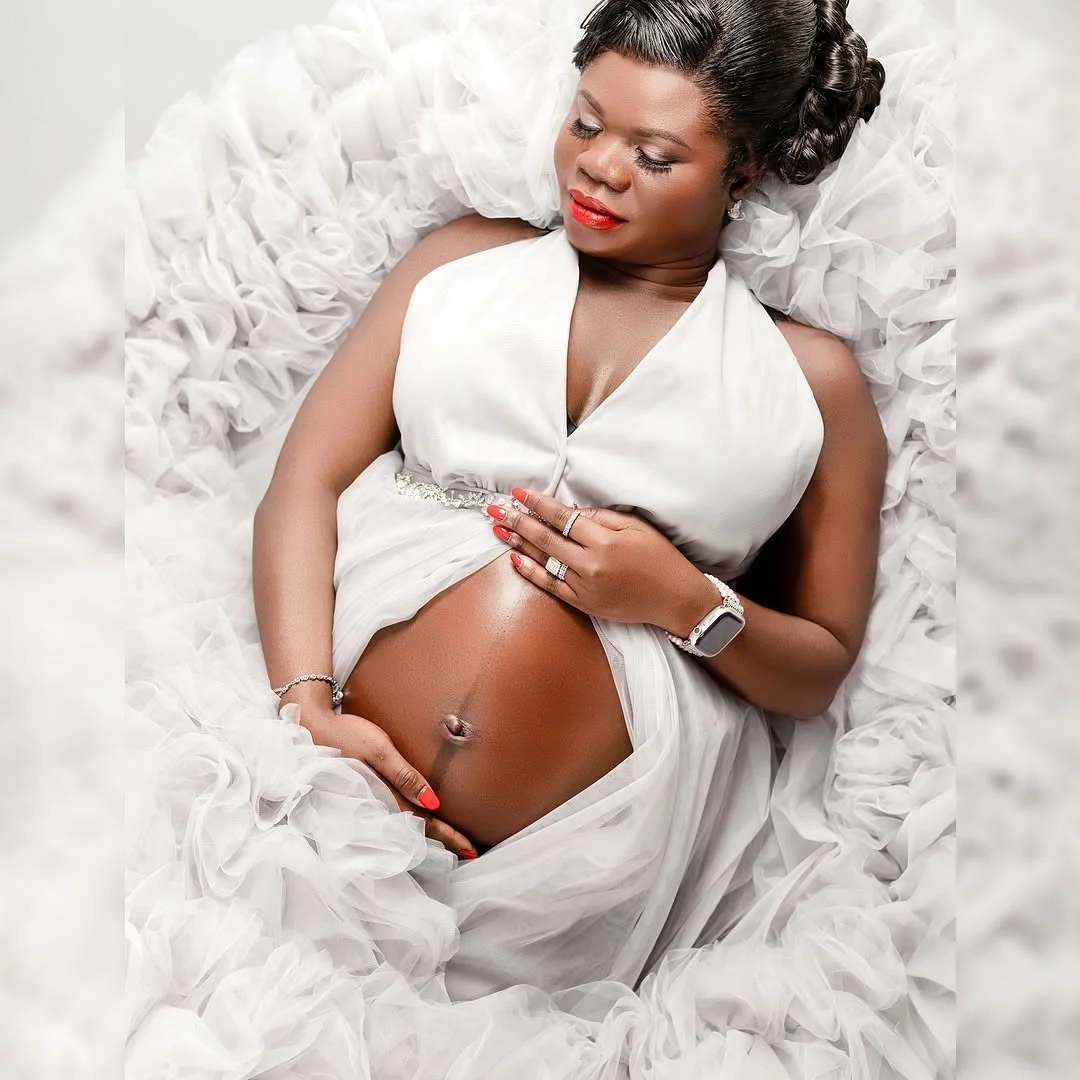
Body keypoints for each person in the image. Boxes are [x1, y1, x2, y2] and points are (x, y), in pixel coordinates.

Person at [252, 0, 887, 998]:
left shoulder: (811, 386)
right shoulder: (460, 263)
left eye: (656, 153)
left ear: (746, 170)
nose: (597, 165)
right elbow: (306, 481)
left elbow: (821, 670)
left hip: (588, 886)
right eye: (587, 122)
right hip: (329, 795)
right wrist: (306, 705)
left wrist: (684, 601)